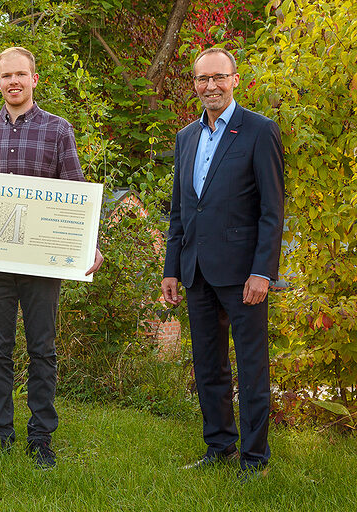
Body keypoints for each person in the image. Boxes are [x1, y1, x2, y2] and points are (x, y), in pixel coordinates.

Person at [0, 47, 103, 468]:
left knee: (42, 348)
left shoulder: (58, 130)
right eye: (5, 76)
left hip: (41, 264)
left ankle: (41, 436)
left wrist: (89, 242)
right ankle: (0, 432)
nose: (13, 82)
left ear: (35, 79)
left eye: (21, 74)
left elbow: (75, 191)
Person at [161, 47, 284, 481]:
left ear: (235, 80)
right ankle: (219, 445)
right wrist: (171, 269)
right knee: (209, 364)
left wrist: (262, 272)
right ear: (193, 84)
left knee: (252, 368)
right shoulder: (186, 137)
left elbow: (272, 210)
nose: (210, 86)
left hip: (243, 275)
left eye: (218, 78)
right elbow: (180, 210)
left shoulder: (259, 131)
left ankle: (254, 459)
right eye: (201, 79)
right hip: (195, 272)